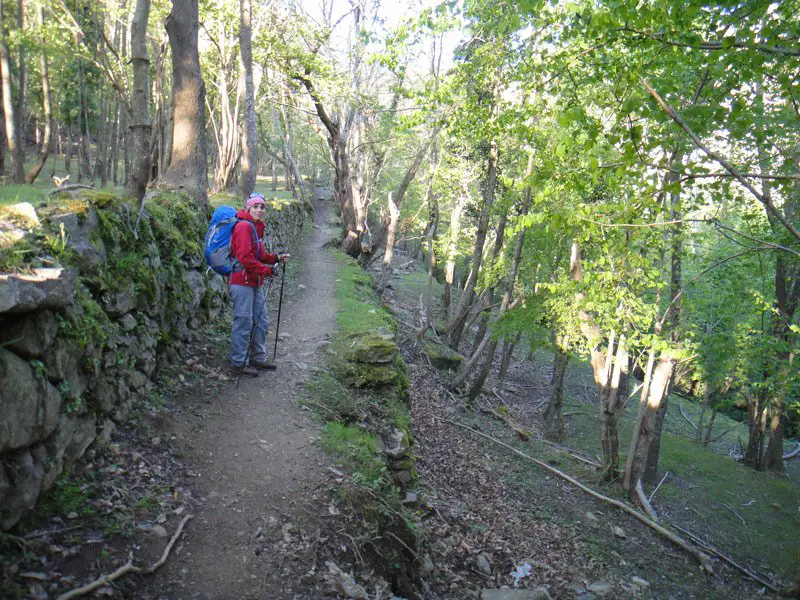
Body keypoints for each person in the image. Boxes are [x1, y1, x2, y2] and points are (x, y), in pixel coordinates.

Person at [228, 193, 290, 377]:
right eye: (255, 207)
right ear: (248, 208)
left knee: (260, 319)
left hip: (254, 281)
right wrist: (268, 271)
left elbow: (261, 255)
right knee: (243, 320)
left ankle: (258, 357)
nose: (259, 210)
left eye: (262, 207)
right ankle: (239, 363)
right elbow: (245, 259)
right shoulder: (243, 227)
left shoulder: (256, 228)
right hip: (241, 281)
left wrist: (276, 258)